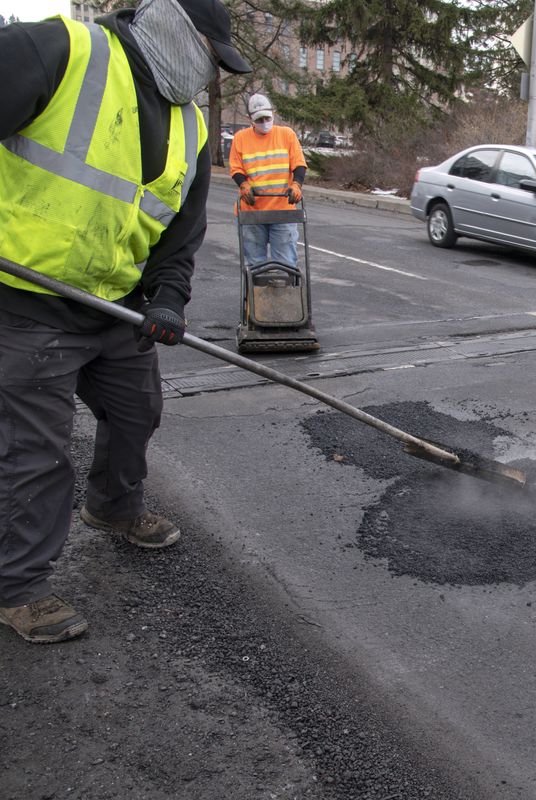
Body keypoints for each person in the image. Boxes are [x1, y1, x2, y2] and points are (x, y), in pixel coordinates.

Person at [0, 0, 251, 644]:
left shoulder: (192, 129)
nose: (211, 77)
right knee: (34, 452)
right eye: (210, 58)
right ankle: (18, 587)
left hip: (114, 306)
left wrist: (167, 299)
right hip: (25, 298)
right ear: (172, 27)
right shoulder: (60, 52)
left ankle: (112, 509)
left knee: (137, 410)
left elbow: (179, 236)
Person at [228, 93, 307, 268]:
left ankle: (286, 294)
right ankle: (256, 295)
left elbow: (299, 164)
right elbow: (236, 168)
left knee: (285, 264)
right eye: (259, 119)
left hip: (283, 210)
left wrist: (296, 184)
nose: (264, 122)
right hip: (252, 210)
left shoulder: (286, 135)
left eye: (267, 117)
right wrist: (244, 184)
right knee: (255, 266)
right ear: (250, 119)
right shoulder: (240, 139)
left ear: (273, 113)